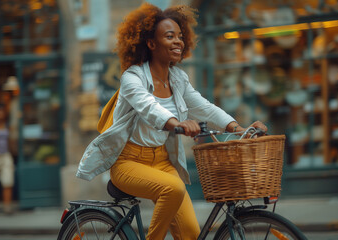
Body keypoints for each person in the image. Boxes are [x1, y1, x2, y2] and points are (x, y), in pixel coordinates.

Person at [76, 3, 267, 240]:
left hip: (163, 162)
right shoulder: (132, 77)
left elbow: (204, 107)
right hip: (128, 162)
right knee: (173, 188)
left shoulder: (177, 78)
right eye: (170, 36)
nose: (178, 41)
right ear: (151, 43)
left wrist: (237, 128)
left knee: (190, 234)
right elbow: (148, 107)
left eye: (180, 36)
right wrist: (176, 123)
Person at [0, 104, 15, 214]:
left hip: (5, 155)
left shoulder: (6, 125)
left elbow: (10, 141)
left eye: (2, 111)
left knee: (8, 181)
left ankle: (7, 207)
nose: (1, 113)